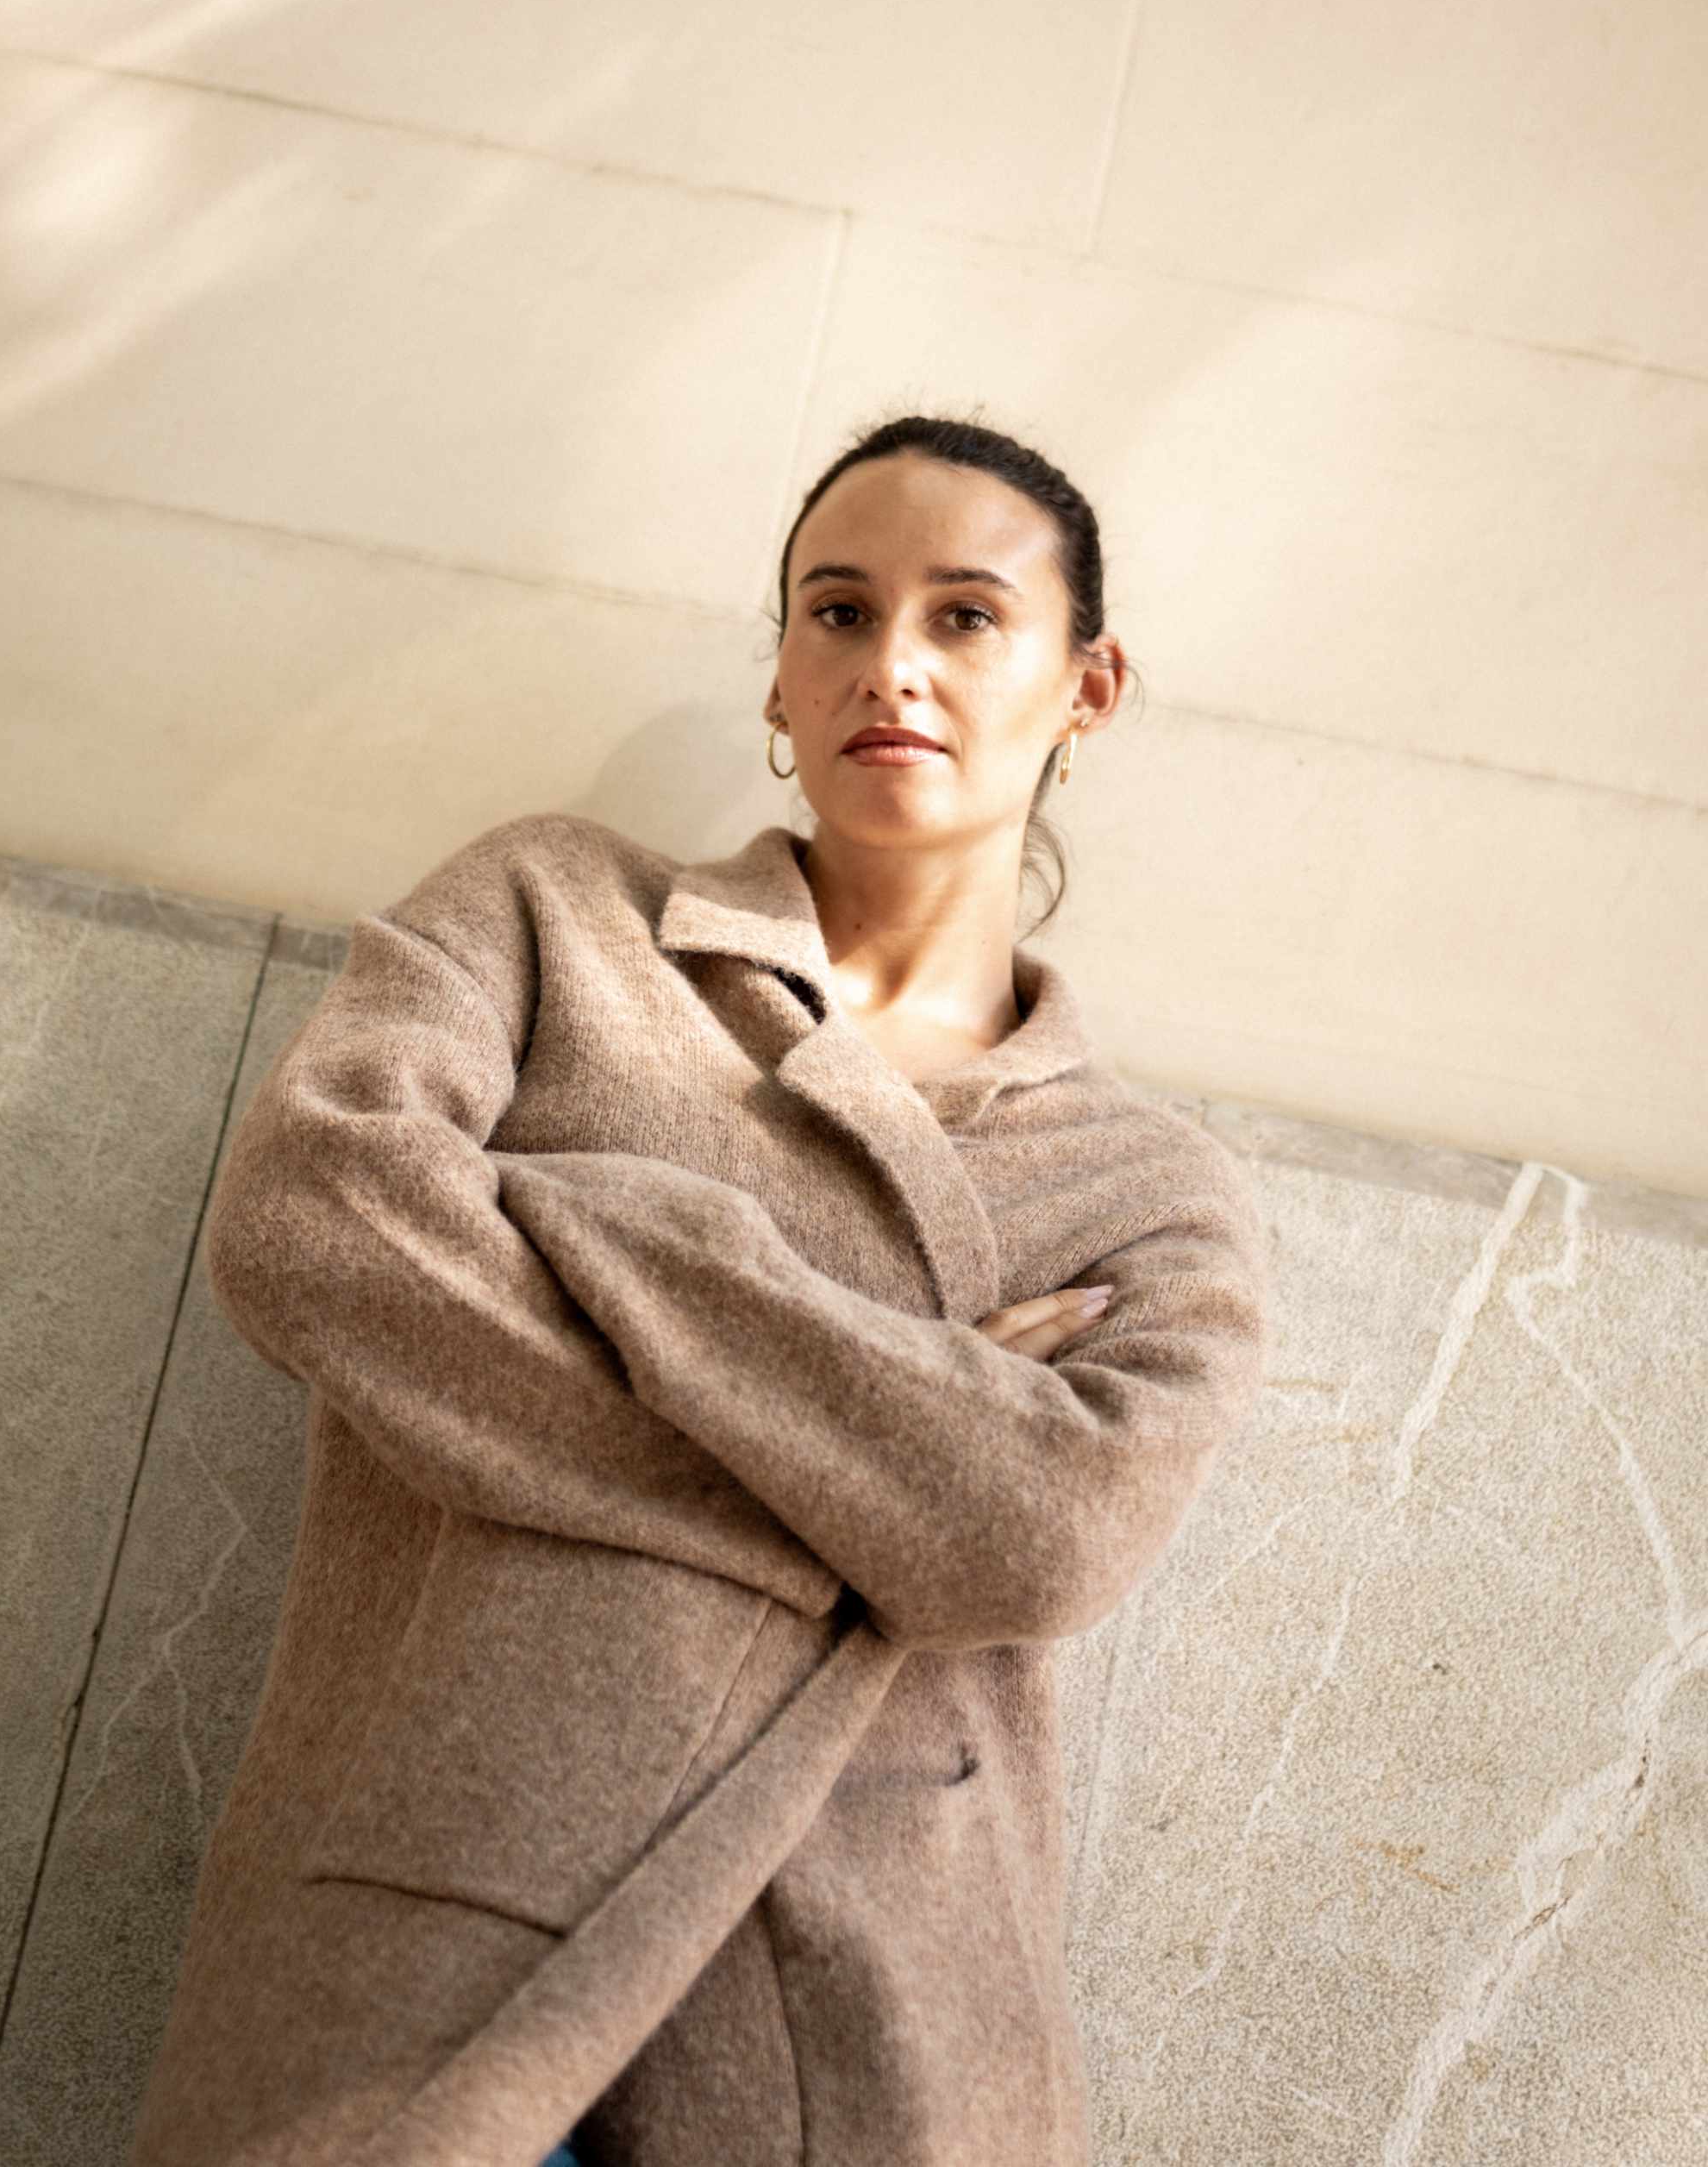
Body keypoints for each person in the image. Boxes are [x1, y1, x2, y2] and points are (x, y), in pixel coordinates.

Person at [127, 413, 1272, 2166]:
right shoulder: (554, 911)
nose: (890, 663)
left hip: (873, 2003)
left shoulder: (1147, 1190)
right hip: (437, 1925)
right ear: (782, 674)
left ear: (1087, 686)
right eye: (838, 610)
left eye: (967, 616)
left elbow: (1039, 1538)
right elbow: (311, 1224)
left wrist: (620, 1235)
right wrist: (890, 1465)